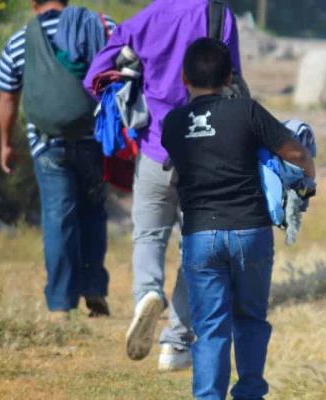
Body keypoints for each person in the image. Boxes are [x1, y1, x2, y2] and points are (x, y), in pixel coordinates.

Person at [84, 0, 243, 371]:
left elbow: (95, 77)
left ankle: (148, 293)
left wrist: (134, 100)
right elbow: (230, 78)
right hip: (205, 151)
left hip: (155, 148)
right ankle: (175, 343)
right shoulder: (219, 15)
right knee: (199, 247)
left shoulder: (145, 19)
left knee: (149, 236)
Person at [161, 38, 315, 400]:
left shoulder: (173, 122)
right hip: (250, 231)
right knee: (250, 320)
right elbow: (293, 149)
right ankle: (248, 393)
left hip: (200, 236)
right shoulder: (247, 111)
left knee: (211, 328)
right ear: (230, 76)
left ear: (184, 77)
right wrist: (308, 170)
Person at [0, 0, 114, 321]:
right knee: (93, 212)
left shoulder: (19, 40)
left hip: (48, 144)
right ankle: (94, 290)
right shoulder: (100, 27)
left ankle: (61, 304)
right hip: (94, 140)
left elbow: (8, 95)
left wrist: (6, 144)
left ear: (34, 4)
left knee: (58, 217)